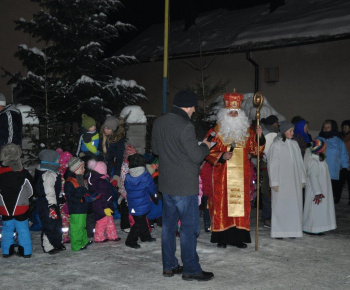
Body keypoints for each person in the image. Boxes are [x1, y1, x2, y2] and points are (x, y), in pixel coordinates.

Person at [152, 90, 213, 281]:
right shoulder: (186, 125)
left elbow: (155, 149)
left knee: (169, 228)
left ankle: (169, 265)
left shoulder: (159, 122)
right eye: (194, 107)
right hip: (185, 186)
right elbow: (196, 156)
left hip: (166, 185)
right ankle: (191, 269)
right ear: (187, 106)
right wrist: (205, 146)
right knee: (189, 229)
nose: (194, 110)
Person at [205, 92, 264, 249]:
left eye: (236, 112)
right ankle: (222, 237)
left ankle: (238, 238)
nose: (233, 114)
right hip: (222, 175)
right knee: (222, 206)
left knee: (240, 207)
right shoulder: (216, 131)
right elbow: (206, 150)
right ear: (225, 113)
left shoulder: (247, 131)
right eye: (230, 112)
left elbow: (256, 151)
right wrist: (222, 155)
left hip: (241, 176)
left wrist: (260, 137)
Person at [267, 121, 306, 239]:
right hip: (281, 181)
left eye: (293, 131)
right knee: (281, 206)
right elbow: (272, 164)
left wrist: (302, 178)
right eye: (290, 131)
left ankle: (292, 230)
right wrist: (274, 182)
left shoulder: (294, 144)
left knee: (293, 206)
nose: (293, 133)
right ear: (284, 131)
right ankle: (279, 231)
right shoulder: (276, 145)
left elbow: (300, 162)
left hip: (294, 181)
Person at [0, 144, 34, 258]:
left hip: (4, 207)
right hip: (21, 206)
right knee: (23, 229)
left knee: (7, 228)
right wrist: (25, 198)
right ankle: (26, 251)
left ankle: (6, 250)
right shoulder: (23, 173)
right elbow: (31, 190)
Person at [303, 139, 336, 235]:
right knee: (314, 209)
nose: (326, 150)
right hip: (315, 191)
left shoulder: (320, 161)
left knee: (320, 210)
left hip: (323, 189)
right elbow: (313, 177)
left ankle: (318, 227)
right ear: (319, 150)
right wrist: (317, 192)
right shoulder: (313, 162)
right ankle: (311, 227)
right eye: (324, 148)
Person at [124, 153, 158, 249]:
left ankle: (145, 236)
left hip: (133, 203)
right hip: (143, 203)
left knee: (141, 220)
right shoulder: (145, 176)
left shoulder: (127, 177)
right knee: (139, 223)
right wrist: (155, 196)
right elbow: (152, 188)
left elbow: (127, 188)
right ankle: (130, 240)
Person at [36, 149, 66, 254]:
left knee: (57, 223)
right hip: (47, 204)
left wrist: (59, 197)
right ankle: (48, 246)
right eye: (58, 160)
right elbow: (49, 191)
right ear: (51, 161)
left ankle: (57, 242)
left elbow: (55, 190)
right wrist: (52, 205)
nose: (59, 161)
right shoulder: (48, 175)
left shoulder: (53, 172)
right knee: (49, 225)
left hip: (52, 202)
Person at [65, 157, 96, 251]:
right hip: (76, 209)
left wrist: (90, 195)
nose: (84, 170)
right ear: (76, 169)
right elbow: (70, 197)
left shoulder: (79, 179)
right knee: (76, 228)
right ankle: (76, 245)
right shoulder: (70, 182)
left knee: (82, 226)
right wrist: (83, 198)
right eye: (82, 168)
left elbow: (82, 192)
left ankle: (83, 241)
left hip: (82, 208)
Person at [87, 159, 121, 243]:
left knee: (109, 219)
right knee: (102, 221)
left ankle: (112, 235)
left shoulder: (100, 179)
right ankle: (99, 237)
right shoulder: (100, 182)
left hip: (106, 203)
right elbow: (103, 195)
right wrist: (105, 207)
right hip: (101, 205)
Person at [318, 120, 349, 204]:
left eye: (328, 127)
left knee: (331, 193)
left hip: (333, 170)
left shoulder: (338, 141)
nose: (326, 129)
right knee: (321, 192)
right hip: (320, 171)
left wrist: (345, 166)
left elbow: (343, 154)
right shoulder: (318, 139)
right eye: (325, 127)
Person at [260, 114, 279, 228]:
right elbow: (266, 151)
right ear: (273, 124)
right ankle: (267, 218)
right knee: (267, 191)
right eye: (277, 123)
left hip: (273, 165)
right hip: (267, 165)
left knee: (273, 192)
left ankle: (272, 216)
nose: (278, 125)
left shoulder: (276, 134)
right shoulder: (268, 134)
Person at [118, 144, 138, 233]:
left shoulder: (135, 164)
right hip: (125, 191)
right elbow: (123, 179)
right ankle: (125, 225)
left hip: (132, 191)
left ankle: (132, 224)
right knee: (125, 209)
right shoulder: (125, 165)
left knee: (132, 208)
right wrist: (123, 193)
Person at [56, 149, 73, 243]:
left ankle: (65, 235)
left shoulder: (60, 173)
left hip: (64, 200)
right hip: (64, 201)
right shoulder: (64, 175)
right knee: (65, 219)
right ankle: (64, 236)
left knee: (65, 219)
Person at [340, 120, 350, 205]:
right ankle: (337, 198)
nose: (344, 129)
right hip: (342, 164)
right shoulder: (340, 137)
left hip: (349, 163)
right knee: (340, 182)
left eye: (346, 127)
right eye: (343, 127)